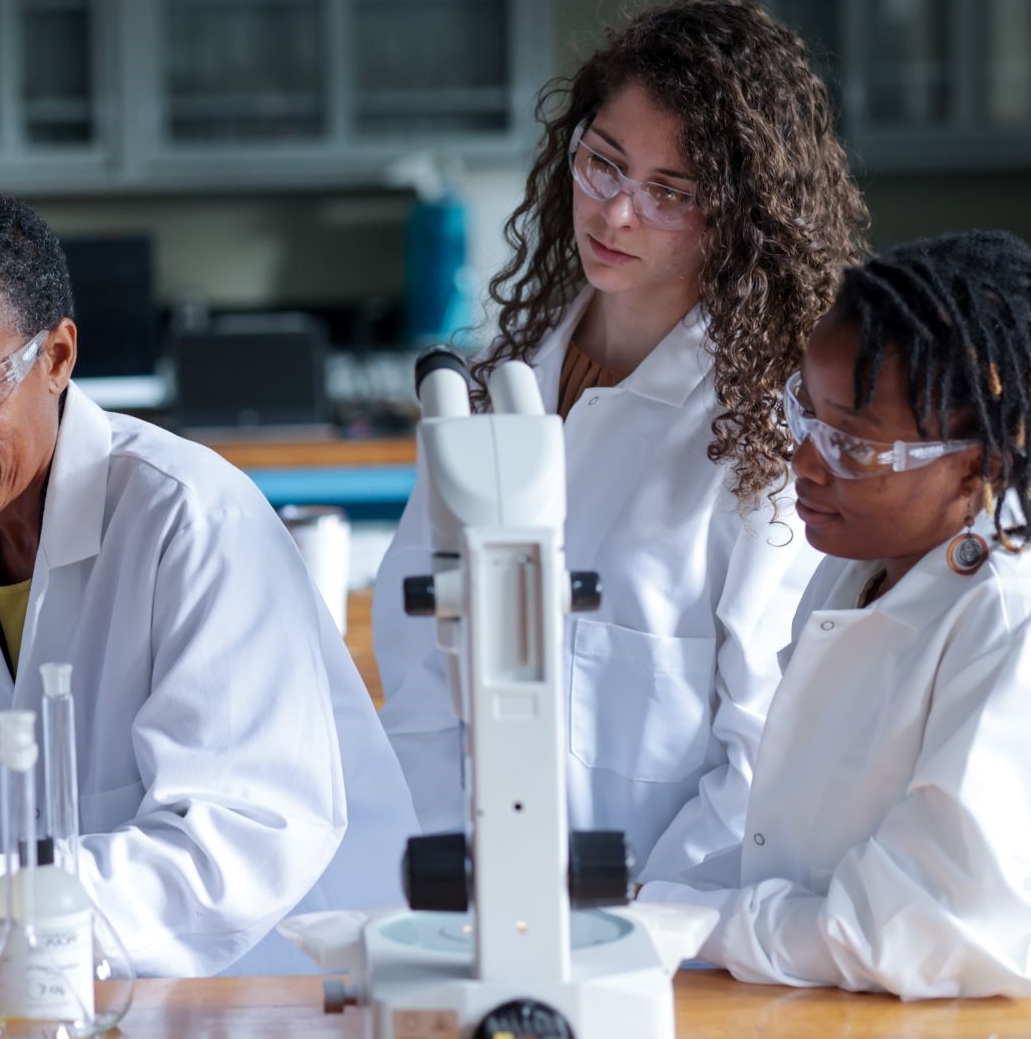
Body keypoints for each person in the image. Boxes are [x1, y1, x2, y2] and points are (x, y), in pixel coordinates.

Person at [0, 186, 418, 977]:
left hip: (279, 985)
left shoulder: (189, 519)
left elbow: (236, 844)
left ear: (55, 358)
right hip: (65, 990)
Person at [372, 0, 868, 880]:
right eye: (602, 163)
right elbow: (417, 654)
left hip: (674, 928)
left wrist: (645, 914)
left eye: (668, 191)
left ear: (738, 215)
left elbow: (763, 743)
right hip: (480, 883)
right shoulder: (491, 386)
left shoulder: (762, 438)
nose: (616, 213)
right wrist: (471, 852)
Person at [641, 231, 1031, 999]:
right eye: (807, 414)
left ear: (980, 462)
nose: (804, 462)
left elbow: (930, 924)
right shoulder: (858, 566)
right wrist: (650, 904)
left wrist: (690, 919)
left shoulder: (1020, 622)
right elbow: (796, 853)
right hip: (850, 999)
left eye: (851, 443)